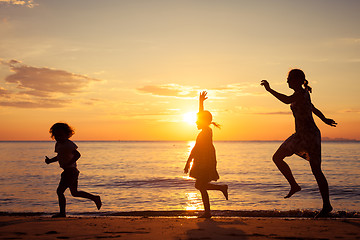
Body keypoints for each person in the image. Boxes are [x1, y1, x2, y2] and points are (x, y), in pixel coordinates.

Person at [260, 69, 337, 218]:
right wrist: (325, 119)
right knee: (277, 157)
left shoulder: (300, 94)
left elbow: (287, 100)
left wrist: (269, 90)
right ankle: (294, 185)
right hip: (302, 135)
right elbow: (313, 108)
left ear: (296, 80)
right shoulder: (303, 93)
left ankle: (326, 205)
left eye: (289, 79)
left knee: (316, 171)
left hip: (309, 136)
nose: (287, 81)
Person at [184, 91, 228, 218]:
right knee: (200, 186)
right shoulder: (204, 130)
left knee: (200, 185)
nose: (195, 122)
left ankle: (209, 210)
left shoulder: (206, 132)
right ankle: (210, 207)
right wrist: (201, 102)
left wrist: (188, 162)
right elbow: (201, 116)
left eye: (197, 121)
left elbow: (196, 148)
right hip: (202, 161)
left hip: (205, 162)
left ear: (203, 122)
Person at [45, 122, 102, 218]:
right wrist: (50, 160)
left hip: (71, 171)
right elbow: (60, 156)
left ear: (67, 135)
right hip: (68, 171)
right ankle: (95, 198)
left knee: (60, 191)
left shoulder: (69, 144)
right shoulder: (58, 144)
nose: (59, 137)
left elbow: (77, 155)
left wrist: (69, 163)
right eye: (56, 135)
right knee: (74, 193)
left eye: (61, 135)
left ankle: (62, 213)